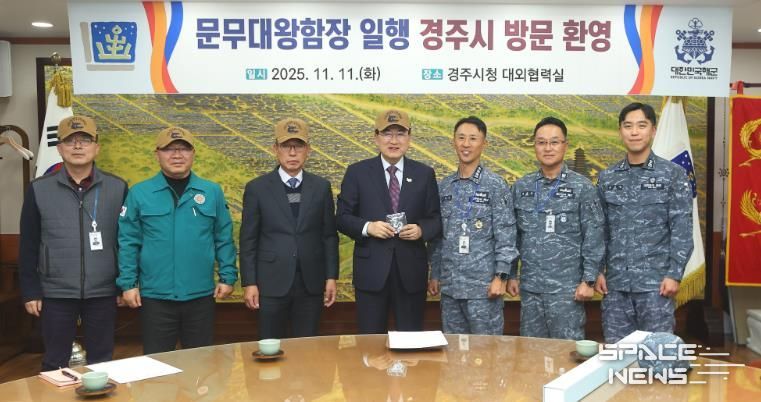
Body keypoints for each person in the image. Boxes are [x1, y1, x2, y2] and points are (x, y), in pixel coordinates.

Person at [19, 115, 128, 370]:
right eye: (70, 141)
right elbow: (29, 243)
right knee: (54, 362)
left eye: (85, 140)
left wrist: (125, 284)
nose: (78, 146)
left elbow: (127, 241)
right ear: (59, 148)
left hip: (103, 291)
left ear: (96, 147)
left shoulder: (118, 187)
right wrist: (30, 290)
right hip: (55, 293)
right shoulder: (39, 189)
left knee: (102, 361)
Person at [117, 126, 238, 353]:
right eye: (169, 149)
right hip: (155, 297)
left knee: (201, 364)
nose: (177, 155)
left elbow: (223, 237)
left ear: (193, 154)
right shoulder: (139, 193)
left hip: (200, 295)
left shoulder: (211, 191)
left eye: (183, 149)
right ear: (157, 154)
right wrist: (128, 284)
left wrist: (228, 276)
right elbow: (128, 241)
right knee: (157, 365)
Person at [336, 109, 441, 334]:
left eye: (400, 134)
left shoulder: (424, 174)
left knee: (411, 340)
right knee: (370, 341)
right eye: (387, 134)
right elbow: (342, 217)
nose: (394, 141)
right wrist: (368, 227)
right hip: (371, 272)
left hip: (411, 273)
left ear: (409, 137)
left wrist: (421, 230)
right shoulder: (357, 172)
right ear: (376, 137)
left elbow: (435, 218)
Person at [596, 102, 693, 344]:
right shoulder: (608, 178)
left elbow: (682, 229)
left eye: (641, 125)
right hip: (616, 287)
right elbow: (600, 230)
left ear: (653, 130)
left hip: (656, 287)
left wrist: (675, 274)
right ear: (620, 131)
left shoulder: (672, 174)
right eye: (628, 126)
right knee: (617, 356)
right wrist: (597, 270)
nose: (634, 132)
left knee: (657, 355)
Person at [239, 117, 339, 339]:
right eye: (286, 146)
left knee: (307, 346)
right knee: (271, 346)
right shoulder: (257, 188)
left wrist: (331, 277)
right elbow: (248, 240)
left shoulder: (321, 187)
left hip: (310, 283)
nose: (292, 153)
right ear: (275, 149)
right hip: (270, 282)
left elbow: (329, 236)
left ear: (308, 150)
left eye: (298, 146)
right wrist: (249, 282)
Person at [508, 117, 604, 340]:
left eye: (554, 142)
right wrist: (511, 274)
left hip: (568, 291)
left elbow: (594, 236)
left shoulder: (582, 187)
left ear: (565, 145)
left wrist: (589, 280)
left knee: (566, 352)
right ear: (535, 146)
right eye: (541, 142)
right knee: (531, 351)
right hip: (531, 289)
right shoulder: (522, 187)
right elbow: (513, 236)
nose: (548, 148)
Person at [428, 116, 518, 335]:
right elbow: (439, 237)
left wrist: (501, 277)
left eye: (472, 138)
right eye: (461, 138)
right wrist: (435, 274)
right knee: (453, 351)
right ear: (453, 142)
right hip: (450, 288)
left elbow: (506, 235)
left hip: (484, 289)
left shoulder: (495, 185)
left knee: (486, 350)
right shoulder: (444, 187)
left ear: (483, 143)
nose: (466, 144)